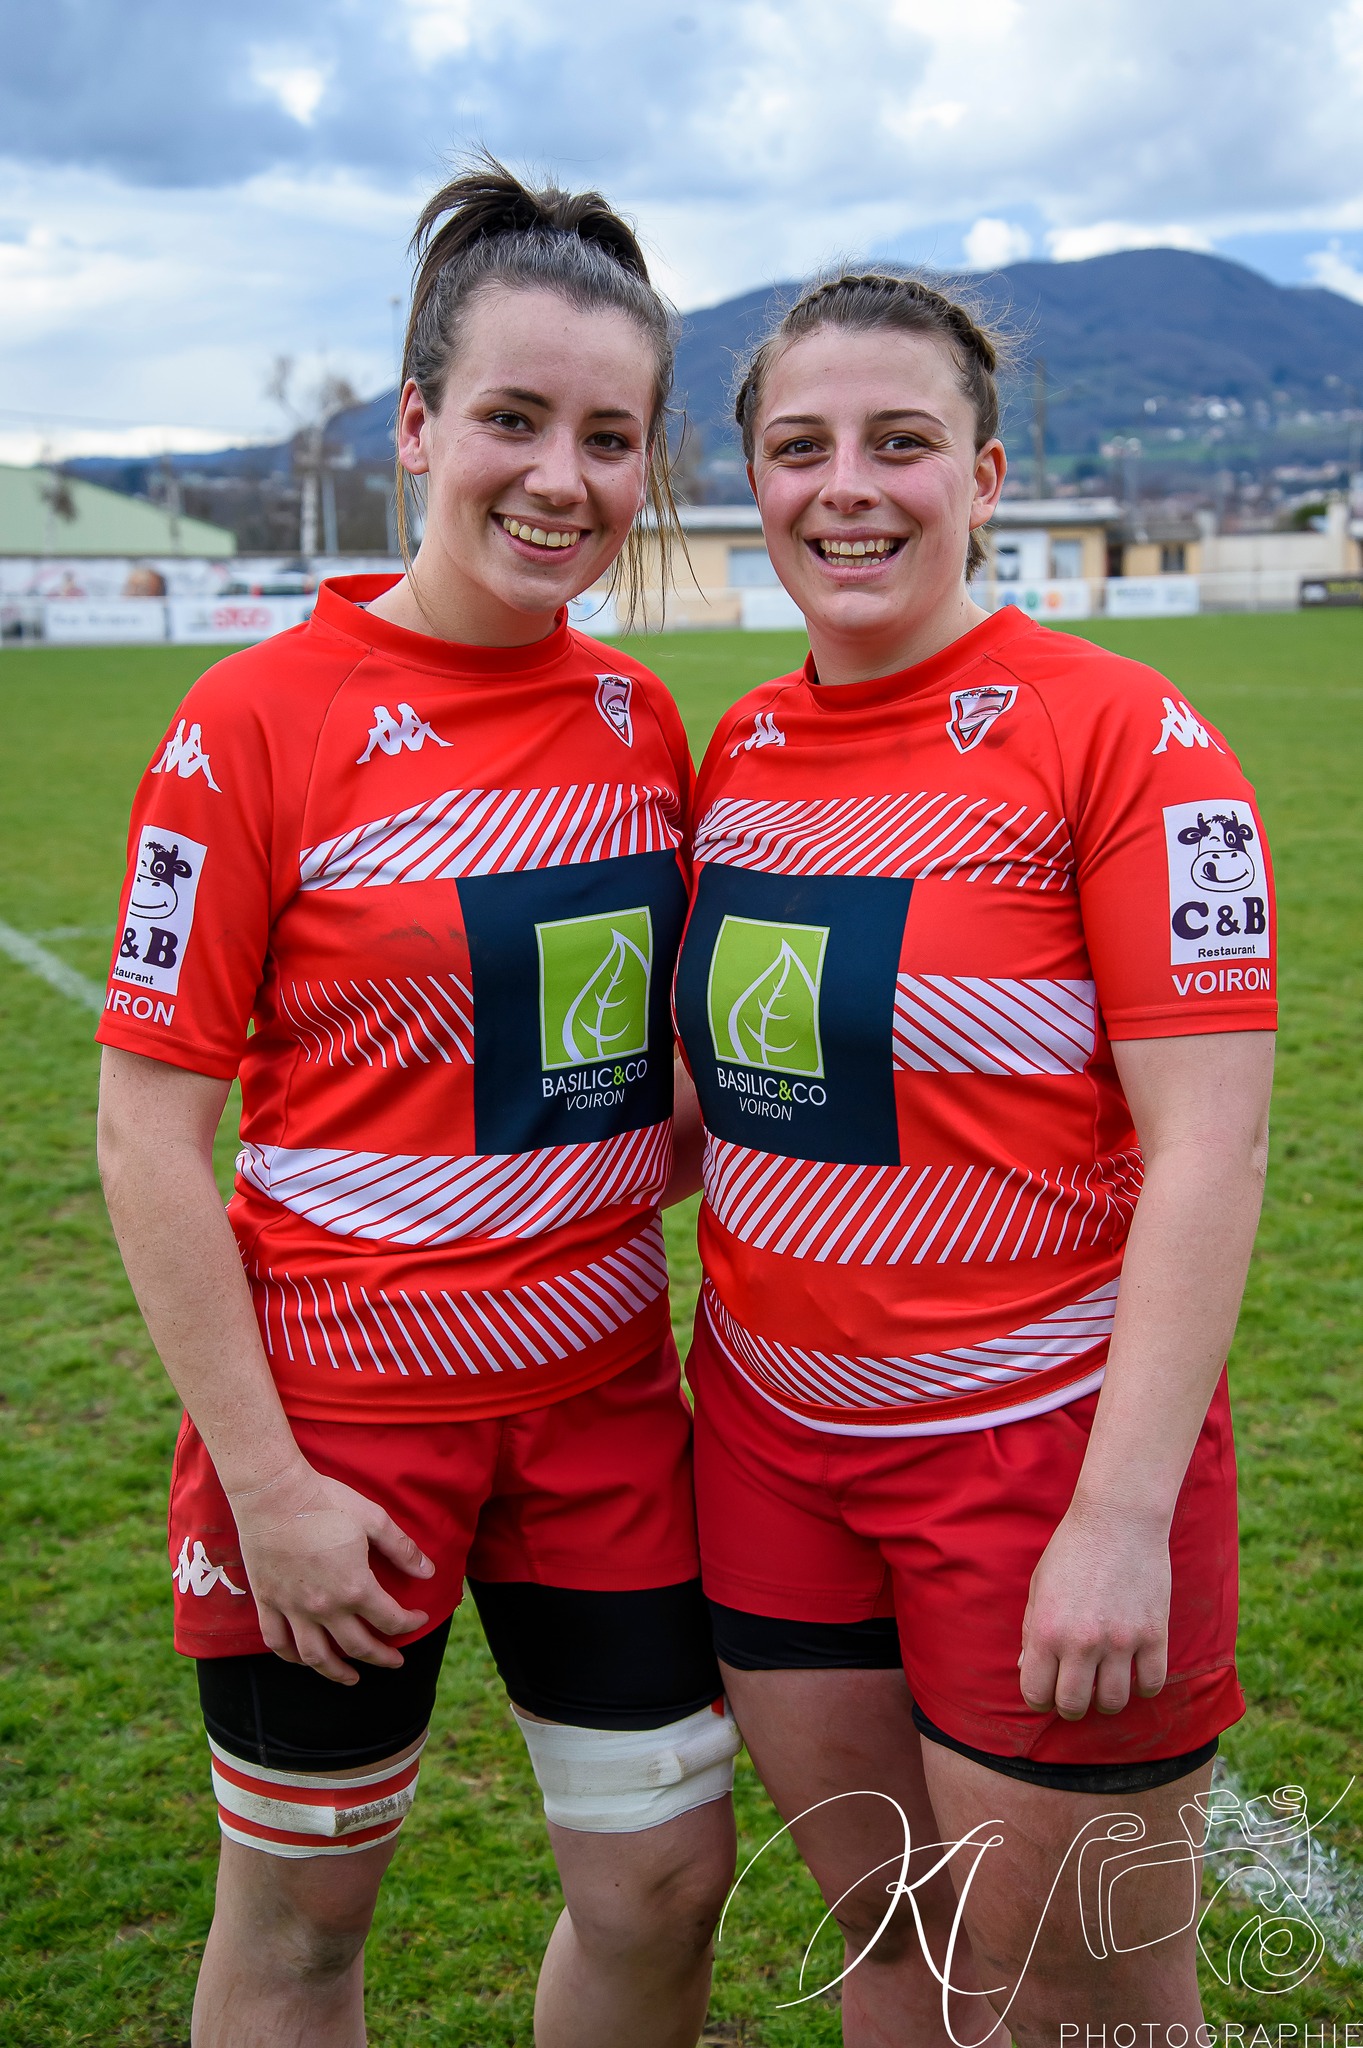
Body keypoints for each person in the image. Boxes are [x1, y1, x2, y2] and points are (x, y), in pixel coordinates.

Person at [96, 159, 736, 2048]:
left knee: (663, 1883)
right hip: (337, 1440)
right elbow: (144, 1136)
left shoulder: (640, 723)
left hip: (606, 1403)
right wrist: (274, 1486)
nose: (563, 477)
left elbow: (645, 1066)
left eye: (609, 437)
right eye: (514, 419)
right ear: (416, 424)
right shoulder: (250, 722)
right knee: (300, 1932)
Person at [671, 270, 1276, 2045]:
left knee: (1081, 2003)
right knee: (896, 1948)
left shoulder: (1130, 739)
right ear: (756, 486)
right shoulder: (747, 748)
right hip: (774, 1454)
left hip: (1037, 1464)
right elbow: (745, 1093)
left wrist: (1115, 1517)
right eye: (800, 448)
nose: (845, 485)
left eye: (900, 443)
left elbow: (1213, 1153)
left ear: (989, 478)